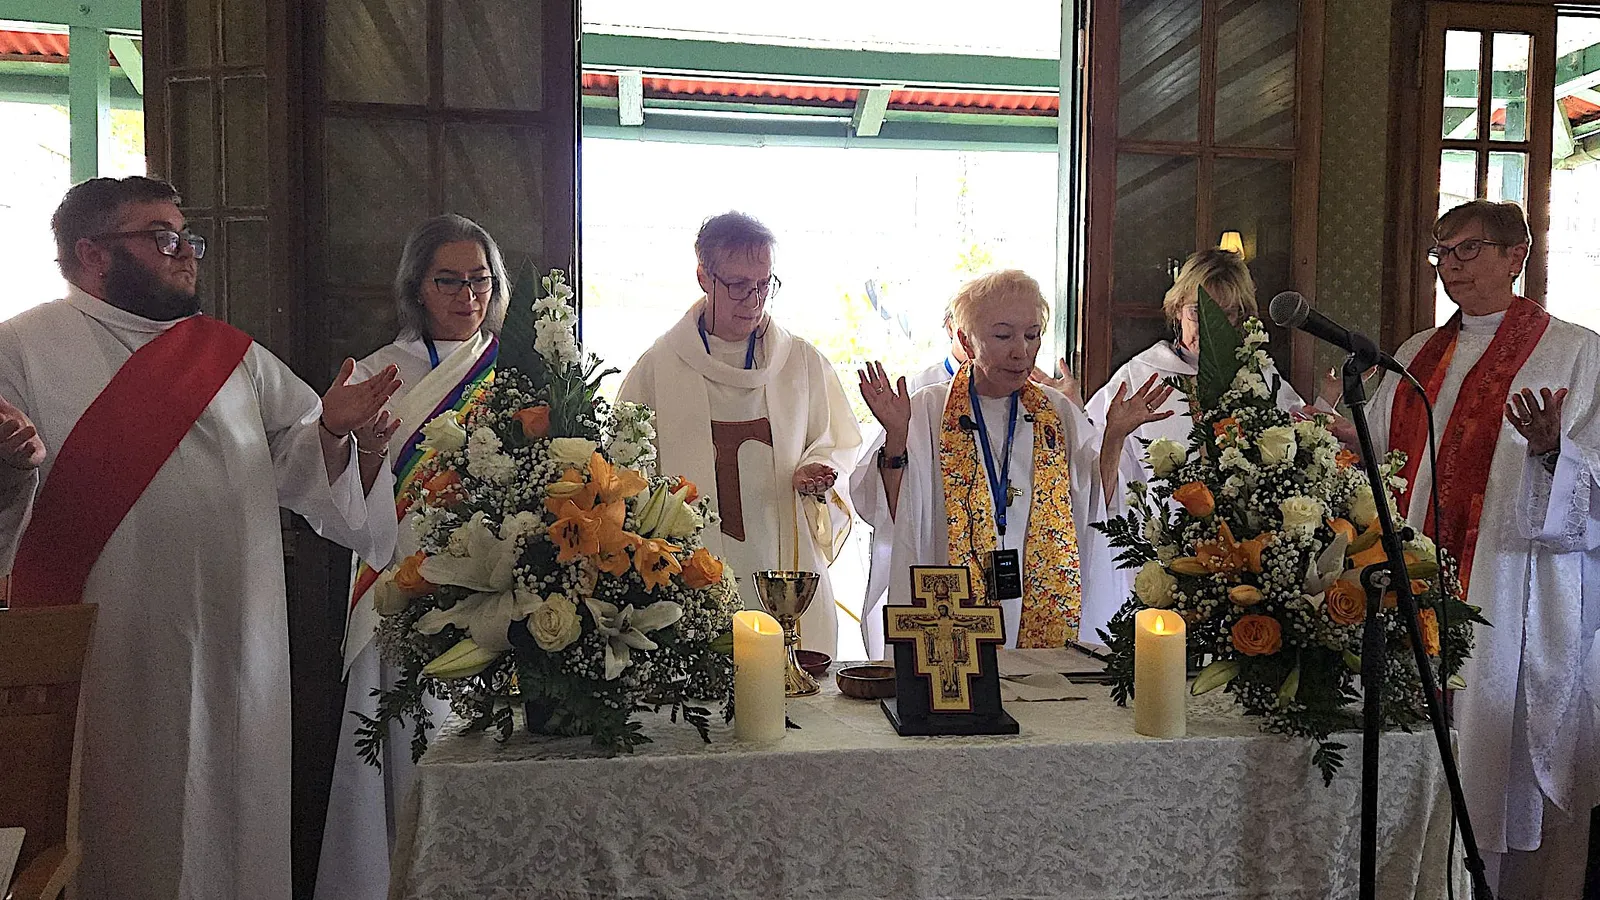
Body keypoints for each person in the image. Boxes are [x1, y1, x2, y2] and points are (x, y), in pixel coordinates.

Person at [0, 176, 400, 899]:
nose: (186, 252)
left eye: (187, 237)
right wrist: (10, 465)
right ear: (92, 253)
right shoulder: (22, 348)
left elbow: (302, 460)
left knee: (229, 822)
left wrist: (338, 432)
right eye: (162, 238)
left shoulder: (230, 354)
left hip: (233, 649)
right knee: (107, 831)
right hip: (104, 653)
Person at [1367, 200, 1598, 899]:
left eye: (1469, 249)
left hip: (1507, 586)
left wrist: (1555, 451)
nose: (1451, 266)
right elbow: (1381, 456)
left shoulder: (1576, 351)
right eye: (1442, 252)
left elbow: (1594, 477)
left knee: (1489, 761)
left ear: (1515, 256)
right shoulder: (1414, 354)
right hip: (1413, 582)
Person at [314, 214, 507, 900]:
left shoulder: (509, 371)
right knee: (403, 748)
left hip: (497, 593)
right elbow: (340, 497)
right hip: (402, 584)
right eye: (448, 280)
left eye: (479, 280)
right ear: (417, 288)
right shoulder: (376, 374)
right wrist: (355, 444)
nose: (467, 295)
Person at [857, 269, 1169, 648]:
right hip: (953, 606)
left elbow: (1094, 508)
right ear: (965, 340)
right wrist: (896, 436)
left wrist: (1114, 437)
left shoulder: (1056, 413)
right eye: (1003, 336)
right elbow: (893, 513)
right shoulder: (927, 409)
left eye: (1032, 335)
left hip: (1041, 606)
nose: (1021, 351)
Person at [618, 212, 862, 655]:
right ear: (702, 277)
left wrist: (817, 472)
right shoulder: (657, 369)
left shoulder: (801, 363)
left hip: (785, 564)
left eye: (765, 284)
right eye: (738, 285)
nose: (754, 300)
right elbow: (626, 472)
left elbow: (837, 444)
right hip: (690, 575)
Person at [1080, 249, 1306, 643]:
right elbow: (1091, 485)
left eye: (1227, 314)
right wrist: (1114, 434)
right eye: (1197, 313)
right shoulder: (1140, 375)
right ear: (1176, 310)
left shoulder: (1260, 379)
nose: (1210, 327)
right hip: (1157, 560)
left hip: (1241, 568)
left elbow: (1295, 457)